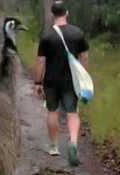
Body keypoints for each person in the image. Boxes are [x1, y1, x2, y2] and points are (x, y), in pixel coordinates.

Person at [34, 0, 89, 166]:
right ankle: (72, 142)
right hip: (70, 81)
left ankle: (53, 147)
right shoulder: (77, 33)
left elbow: (41, 61)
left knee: (52, 112)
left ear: (52, 14)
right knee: (72, 112)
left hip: (51, 81)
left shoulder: (46, 35)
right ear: (67, 13)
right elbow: (84, 57)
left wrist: (37, 81)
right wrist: (83, 75)